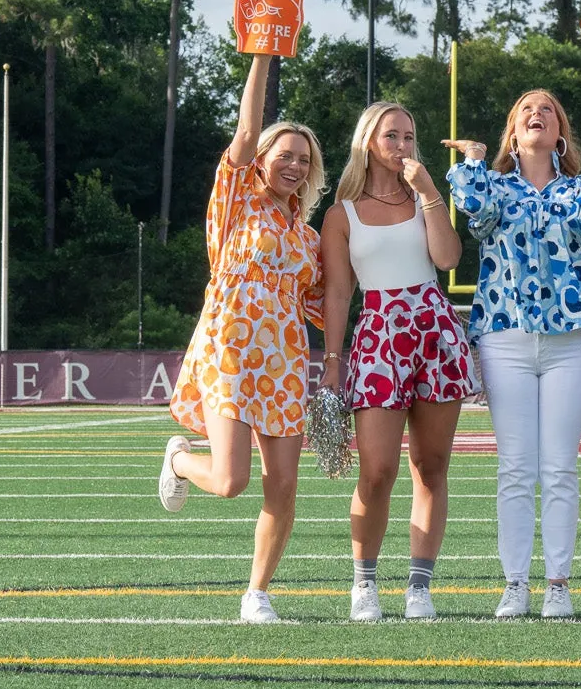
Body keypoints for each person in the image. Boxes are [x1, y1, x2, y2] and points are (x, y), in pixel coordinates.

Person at [446, 90, 581, 621]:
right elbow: (473, 209)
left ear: (561, 133)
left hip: (571, 340)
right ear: (514, 131)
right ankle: (514, 583)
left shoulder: (579, 190)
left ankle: (557, 583)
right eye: (526, 110)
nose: (537, 114)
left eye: (548, 111)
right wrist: (472, 161)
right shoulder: (495, 185)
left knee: (558, 467)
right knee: (514, 467)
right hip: (504, 337)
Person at [157, 51, 327, 625]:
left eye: (304, 160)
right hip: (228, 350)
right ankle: (180, 461)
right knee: (230, 480)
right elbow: (248, 128)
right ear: (262, 161)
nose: (295, 166)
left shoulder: (306, 236)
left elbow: (322, 304)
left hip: (283, 360)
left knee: (283, 482)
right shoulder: (235, 204)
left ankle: (257, 592)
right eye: (285, 155)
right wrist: (262, 51)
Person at [319, 101, 473, 623]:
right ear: (369, 142)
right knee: (377, 469)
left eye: (409, 136)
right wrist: (333, 361)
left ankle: (419, 587)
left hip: (434, 331)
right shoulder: (342, 214)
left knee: (431, 468)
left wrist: (430, 192)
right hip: (379, 337)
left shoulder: (426, 197)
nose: (403, 146)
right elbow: (338, 293)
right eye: (392, 136)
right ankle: (364, 583)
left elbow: (449, 259)